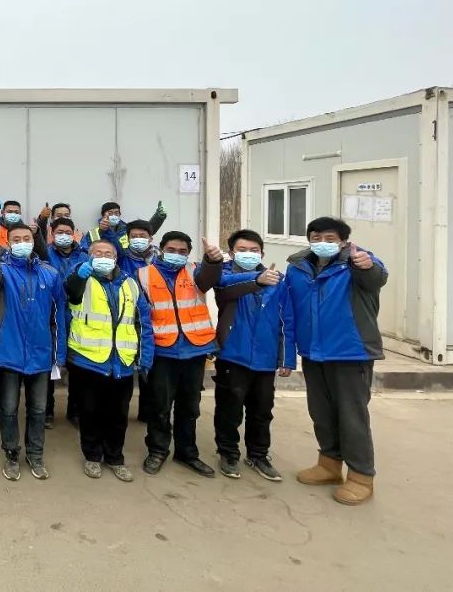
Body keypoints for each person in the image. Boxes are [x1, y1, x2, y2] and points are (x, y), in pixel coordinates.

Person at [286, 217, 387, 506]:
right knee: (321, 412)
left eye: (330, 238)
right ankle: (329, 465)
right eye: (316, 237)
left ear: (343, 241)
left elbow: (376, 278)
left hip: (350, 352)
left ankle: (361, 476)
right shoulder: (297, 267)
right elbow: (290, 308)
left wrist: (366, 266)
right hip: (313, 352)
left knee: (352, 416)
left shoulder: (357, 262)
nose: (322, 243)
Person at [0, 223, 67, 481]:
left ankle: (35, 455)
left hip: (41, 354)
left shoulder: (50, 274)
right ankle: (11, 454)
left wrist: (59, 354)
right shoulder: (2, 270)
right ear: (8, 243)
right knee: (8, 409)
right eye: (16, 239)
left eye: (26, 238)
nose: (21, 243)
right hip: (9, 352)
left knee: (38, 410)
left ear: (34, 240)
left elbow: (58, 316)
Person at [64, 239, 154, 481]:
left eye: (108, 254)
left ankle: (115, 458)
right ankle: (92, 456)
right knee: (90, 412)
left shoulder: (130, 284)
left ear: (116, 258)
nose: (103, 257)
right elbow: (71, 292)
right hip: (88, 360)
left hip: (122, 362)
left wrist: (145, 358)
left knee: (118, 415)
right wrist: (80, 275)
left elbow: (143, 322)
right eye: (98, 253)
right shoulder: (82, 279)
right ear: (89, 257)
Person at [138, 231, 224, 477]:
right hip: (162, 351)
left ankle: (187, 452)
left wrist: (213, 260)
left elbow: (210, 277)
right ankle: (157, 450)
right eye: (172, 250)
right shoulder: (143, 275)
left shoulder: (195, 271)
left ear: (189, 254)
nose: (177, 254)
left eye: (182, 251)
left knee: (189, 406)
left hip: (194, 350)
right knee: (159, 405)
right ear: (161, 249)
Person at [213, 229, 295, 482]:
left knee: (262, 410)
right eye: (242, 250)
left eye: (254, 251)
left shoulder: (279, 281)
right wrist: (257, 279)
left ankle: (258, 455)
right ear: (231, 253)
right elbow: (222, 287)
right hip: (232, 354)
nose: (248, 254)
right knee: (229, 409)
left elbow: (287, 320)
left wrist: (286, 358)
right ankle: (228, 453)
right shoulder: (225, 276)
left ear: (262, 253)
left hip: (265, 359)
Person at [44, 216, 90, 428]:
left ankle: (75, 410)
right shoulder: (45, 254)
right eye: (59, 232)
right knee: (49, 365)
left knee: (77, 367)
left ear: (74, 234)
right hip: (52, 315)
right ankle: (47, 410)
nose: (64, 236)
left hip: (78, 315)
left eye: (67, 232)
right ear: (52, 234)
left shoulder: (85, 256)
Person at [121, 218, 161, 423]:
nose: (138, 239)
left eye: (142, 236)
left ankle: (147, 412)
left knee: (151, 368)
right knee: (127, 365)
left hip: (158, 319)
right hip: (129, 318)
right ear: (127, 239)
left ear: (150, 238)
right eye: (133, 236)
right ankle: (120, 412)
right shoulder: (121, 258)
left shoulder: (161, 259)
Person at [82, 201, 167, 252]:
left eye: (116, 213)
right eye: (110, 213)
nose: (113, 215)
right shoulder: (92, 233)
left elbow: (145, 232)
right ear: (103, 215)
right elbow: (85, 250)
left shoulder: (128, 229)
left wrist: (158, 218)